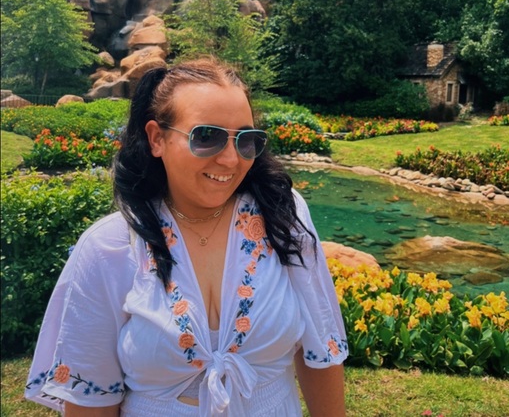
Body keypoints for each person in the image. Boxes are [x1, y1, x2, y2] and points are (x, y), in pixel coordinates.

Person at [25, 58, 348, 416]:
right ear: (157, 138)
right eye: (206, 137)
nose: (231, 160)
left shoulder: (282, 215)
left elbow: (321, 347)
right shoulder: (109, 247)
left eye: (246, 140)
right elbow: (92, 401)